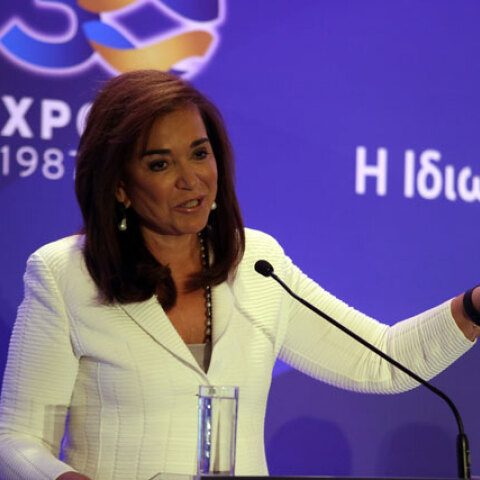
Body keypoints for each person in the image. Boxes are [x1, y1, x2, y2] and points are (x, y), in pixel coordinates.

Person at [0, 70, 478, 480]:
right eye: (160, 163)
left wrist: (473, 307)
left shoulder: (257, 262)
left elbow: (383, 362)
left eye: (199, 153)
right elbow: (16, 438)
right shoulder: (65, 274)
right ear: (120, 186)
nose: (191, 179)